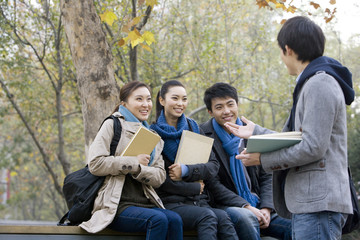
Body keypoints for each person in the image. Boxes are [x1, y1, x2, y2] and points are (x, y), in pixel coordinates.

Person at [224, 16, 355, 240]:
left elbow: (313, 147)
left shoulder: (319, 83)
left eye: (281, 52)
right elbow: (300, 138)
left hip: (317, 204)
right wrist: (257, 131)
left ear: (288, 49)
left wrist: (262, 160)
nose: (282, 59)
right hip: (310, 204)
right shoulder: (313, 82)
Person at [79, 81, 183, 240]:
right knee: (158, 220)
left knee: (175, 219)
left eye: (148, 99)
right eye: (139, 99)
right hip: (115, 205)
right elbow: (95, 164)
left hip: (146, 203)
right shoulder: (112, 125)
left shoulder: (153, 136)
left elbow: (160, 176)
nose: (145, 104)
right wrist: (134, 162)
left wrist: (140, 169)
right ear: (124, 103)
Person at [200, 82, 292, 240]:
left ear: (237, 104)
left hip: (258, 204)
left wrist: (266, 208)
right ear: (210, 111)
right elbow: (212, 183)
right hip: (227, 206)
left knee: (296, 226)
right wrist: (246, 206)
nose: (227, 111)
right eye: (219, 107)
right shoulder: (203, 136)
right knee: (245, 217)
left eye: (230, 104)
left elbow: (266, 174)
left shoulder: (250, 131)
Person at [150, 80, 238, 240]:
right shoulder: (153, 134)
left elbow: (213, 166)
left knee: (224, 218)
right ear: (162, 100)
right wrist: (193, 188)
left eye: (184, 99)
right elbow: (159, 180)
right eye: (175, 98)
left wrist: (186, 170)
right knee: (207, 217)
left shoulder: (194, 128)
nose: (180, 103)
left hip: (199, 201)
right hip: (170, 202)